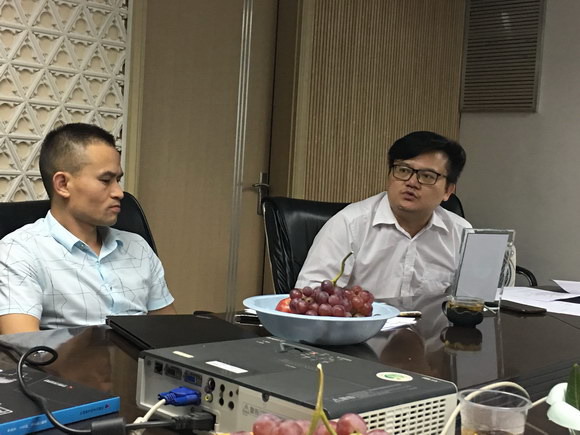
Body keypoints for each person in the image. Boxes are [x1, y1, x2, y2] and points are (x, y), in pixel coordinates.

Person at [0, 123, 176, 334]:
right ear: (63, 184)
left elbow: (170, 333)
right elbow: (23, 344)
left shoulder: (138, 247)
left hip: (142, 355)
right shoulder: (19, 251)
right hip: (65, 356)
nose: (119, 193)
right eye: (106, 180)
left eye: (118, 180)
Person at [295, 131, 472, 298]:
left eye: (427, 176)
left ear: (448, 190)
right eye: (403, 170)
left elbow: (472, 301)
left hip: (430, 322)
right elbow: (311, 296)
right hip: (362, 321)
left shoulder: (461, 233)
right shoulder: (348, 224)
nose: (411, 182)